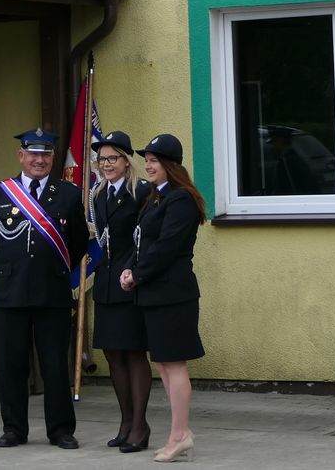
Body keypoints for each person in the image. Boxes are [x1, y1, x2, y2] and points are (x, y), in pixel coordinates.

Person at [0, 128, 88, 450]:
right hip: (11, 292)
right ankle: (14, 428)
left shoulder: (68, 194)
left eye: (46, 154)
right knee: (11, 364)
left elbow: (78, 242)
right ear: (21, 156)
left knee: (55, 364)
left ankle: (61, 430)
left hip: (52, 292)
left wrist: (53, 269)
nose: (39, 160)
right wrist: (15, 271)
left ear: (53, 158)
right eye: (34, 154)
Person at [120, 133, 205, 464]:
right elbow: (142, 242)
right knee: (164, 364)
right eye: (147, 161)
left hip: (172, 295)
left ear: (170, 164)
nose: (148, 166)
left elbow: (167, 247)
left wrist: (138, 275)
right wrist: (130, 269)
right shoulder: (157, 198)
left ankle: (180, 435)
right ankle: (180, 433)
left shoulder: (180, 199)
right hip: (154, 294)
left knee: (174, 364)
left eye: (154, 161)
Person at [88, 130, 152, 453]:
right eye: (102, 159)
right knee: (113, 353)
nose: (106, 164)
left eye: (113, 158)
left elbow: (147, 237)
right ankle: (126, 422)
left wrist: (135, 271)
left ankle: (140, 425)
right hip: (106, 283)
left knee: (134, 352)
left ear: (127, 161)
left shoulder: (141, 192)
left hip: (130, 282)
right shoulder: (98, 195)